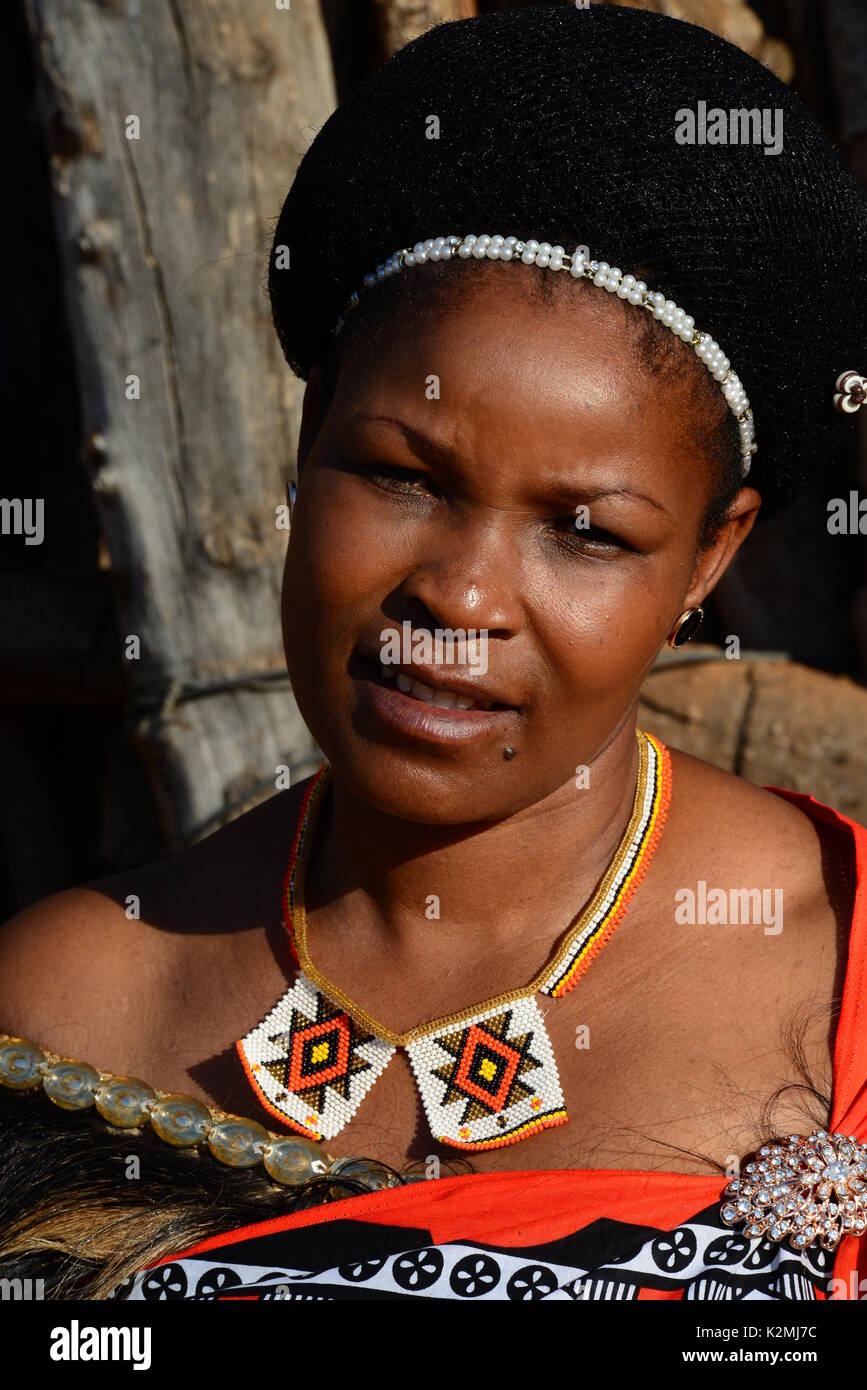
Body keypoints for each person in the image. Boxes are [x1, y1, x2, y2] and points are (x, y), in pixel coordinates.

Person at [1, 3, 866, 1302]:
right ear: (309, 439)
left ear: (707, 559)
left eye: (585, 531)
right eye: (401, 474)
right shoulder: (72, 1004)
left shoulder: (844, 978)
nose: (459, 590)